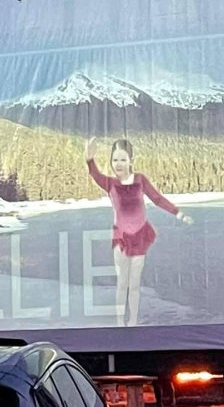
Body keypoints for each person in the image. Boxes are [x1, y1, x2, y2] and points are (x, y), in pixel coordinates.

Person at [85, 137, 193, 327]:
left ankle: (133, 323)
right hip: (121, 238)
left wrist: (178, 213)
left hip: (140, 237)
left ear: (131, 161)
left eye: (123, 160)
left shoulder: (140, 180)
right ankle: (120, 323)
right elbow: (95, 174)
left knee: (134, 284)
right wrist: (89, 159)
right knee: (122, 283)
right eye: (115, 160)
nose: (118, 164)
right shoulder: (110, 183)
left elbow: (157, 199)